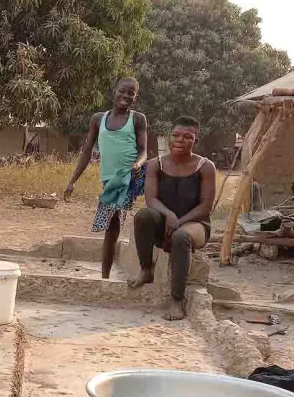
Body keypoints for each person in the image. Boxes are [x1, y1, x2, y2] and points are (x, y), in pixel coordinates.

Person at [128, 116, 216, 321]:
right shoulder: (154, 164)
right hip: (165, 221)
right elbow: (151, 200)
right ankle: (146, 270)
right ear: (169, 137)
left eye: (187, 137)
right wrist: (169, 215)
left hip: (196, 223)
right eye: (175, 135)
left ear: (196, 140)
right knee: (143, 216)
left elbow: (205, 207)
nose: (180, 140)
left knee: (181, 237)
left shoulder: (205, 166)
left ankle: (177, 300)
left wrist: (180, 221)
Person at [65, 77, 148, 279]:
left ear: (135, 98)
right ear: (115, 90)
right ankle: (107, 275)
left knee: (111, 226)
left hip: (130, 176)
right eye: (123, 91)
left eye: (131, 93)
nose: (126, 95)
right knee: (112, 226)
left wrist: (138, 163)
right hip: (108, 180)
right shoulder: (98, 119)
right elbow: (86, 152)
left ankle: (105, 277)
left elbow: (144, 151)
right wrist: (72, 180)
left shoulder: (137, 119)